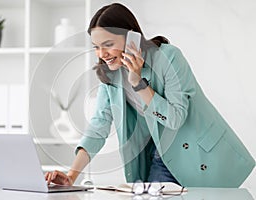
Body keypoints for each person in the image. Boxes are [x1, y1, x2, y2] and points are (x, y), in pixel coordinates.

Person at [45, 3, 255, 187]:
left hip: (200, 153)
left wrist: (138, 83)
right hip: (161, 158)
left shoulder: (168, 57)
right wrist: (72, 175)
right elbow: (98, 127)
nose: (102, 54)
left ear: (131, 38)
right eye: (96, 47)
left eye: (108, 45)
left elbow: (175, 118)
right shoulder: (110, 77)